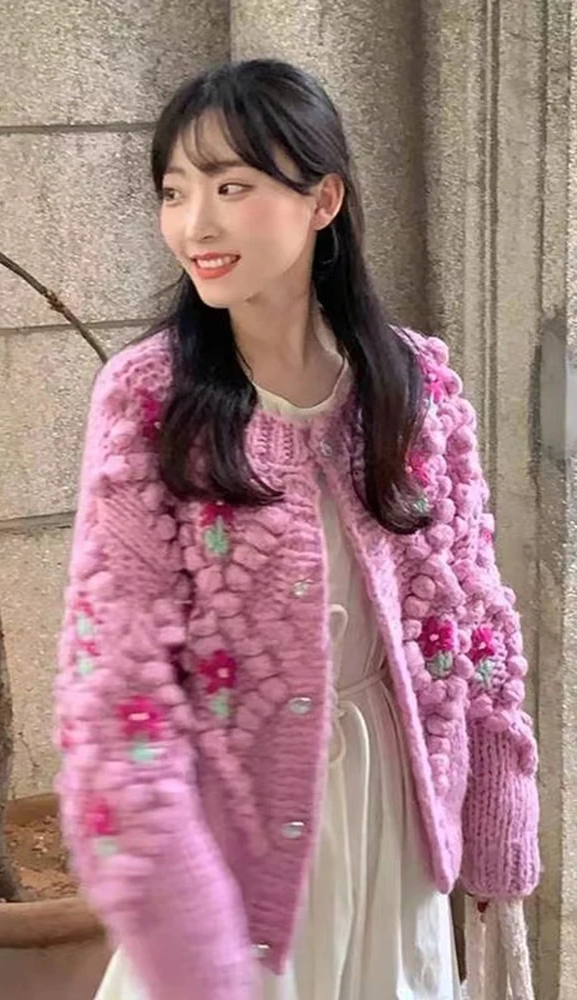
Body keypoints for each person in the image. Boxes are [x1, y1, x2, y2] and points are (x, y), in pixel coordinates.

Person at [54, 59, 540, 1000]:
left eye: (232, 187)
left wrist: (498, 809)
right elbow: (113, 688)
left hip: (390, 815)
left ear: (323, 200)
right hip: (229, 848)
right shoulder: (150, 402)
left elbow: (476, 617)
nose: (195, 225)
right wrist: (181, 924)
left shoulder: (415, 385)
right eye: (174, 192)